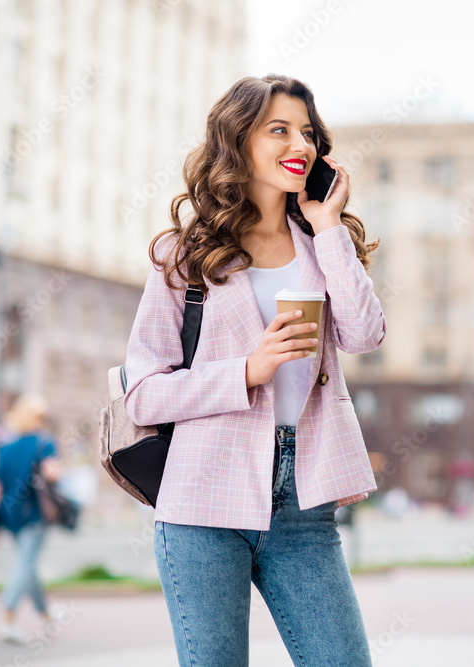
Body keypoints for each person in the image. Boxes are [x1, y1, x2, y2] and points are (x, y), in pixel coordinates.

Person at [123, 74, 384, 666]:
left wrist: (328, 228)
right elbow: (142, 394)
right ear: (238, 141)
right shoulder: (184, 254)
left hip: (303, 500)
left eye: (309, 133)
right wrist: (248, 369)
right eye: (280, 130)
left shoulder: (322, 243)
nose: (302, 145)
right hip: (201, 504)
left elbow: (365, 335)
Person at [0, 393, 68, 643]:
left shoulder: (5, 446)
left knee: (27, 564)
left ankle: (46, 615)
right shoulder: (45, 443)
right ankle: (7, 619)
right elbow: (53, 476)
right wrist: (55, 476)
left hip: (11, 517)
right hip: (34, 515)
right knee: (24, 564)